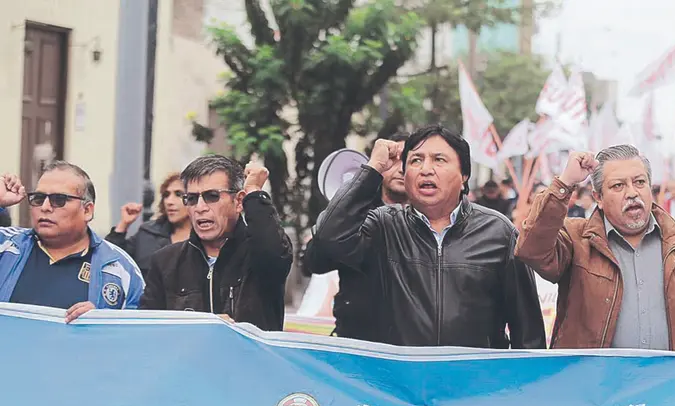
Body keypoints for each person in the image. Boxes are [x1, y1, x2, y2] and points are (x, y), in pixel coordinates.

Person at [308, 124, 545, 348]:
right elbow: (328, 238)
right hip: (398, 383)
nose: (426, 169)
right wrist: (373, 169)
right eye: (415, 161)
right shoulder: (384, 225)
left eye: (439, 160)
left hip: (476, 384)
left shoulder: (499, 232)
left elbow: (527, 330)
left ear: (464, 176)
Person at [515, 145, 675, 365]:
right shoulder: (575, 239)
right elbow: (531, 249)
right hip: (592, 389)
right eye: (618, 186)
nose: (632, 193)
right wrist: (564, 184)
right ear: (598, 197)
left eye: (639, 182)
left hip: (672, 386)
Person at [140, 155, 293, 331]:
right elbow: (149, 329)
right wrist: (202, 326)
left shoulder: (258, 255)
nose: (200, 207)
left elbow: (274, 254)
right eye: (191, 198)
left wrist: (254, 193)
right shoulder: (166, 262)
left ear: (238, 202)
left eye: (212, 196)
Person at [0, 164, 144, 323]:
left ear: (87, 210)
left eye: (59, 200)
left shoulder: (119, 267)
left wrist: (103, 322)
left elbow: (140, 334)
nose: (45, 207)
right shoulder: (7, 246)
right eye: (39, 199)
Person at [303, 132, 409, 341]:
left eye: (409, 160)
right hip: (356, 340)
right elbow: (314, 262)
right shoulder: (354, 217)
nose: (401, 169)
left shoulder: (428, 220)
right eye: (393, 159)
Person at [105, 172, 191, 277]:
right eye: (166, 195)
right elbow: (110, 257)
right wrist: (123, 224)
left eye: (178, 194)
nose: (169, 201)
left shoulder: (206, 238)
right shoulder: (148, 233)